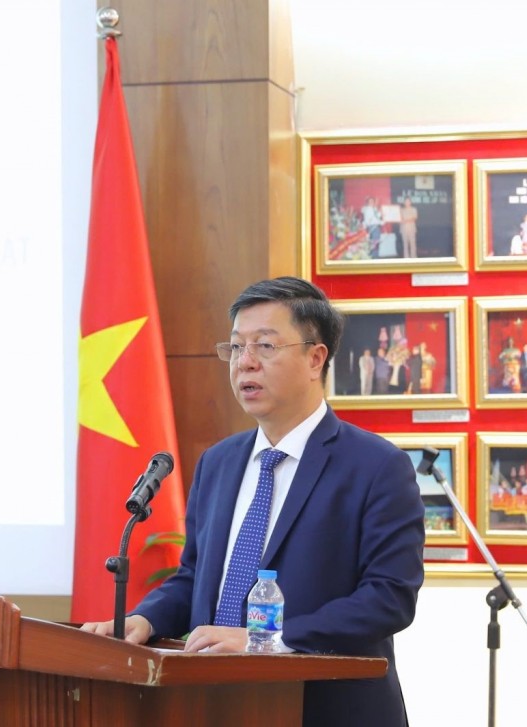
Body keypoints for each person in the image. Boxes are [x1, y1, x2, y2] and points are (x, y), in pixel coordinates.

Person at [81, 277, 425, 727]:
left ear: (314, 358)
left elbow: (389, 598)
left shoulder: (377, 466)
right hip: (212, 704)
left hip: (325, 710)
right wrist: (144, 619)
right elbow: (195, 578)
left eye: (264, 346)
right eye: (236, 347)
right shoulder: (219, 463)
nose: (245, 364)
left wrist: (263, 639)